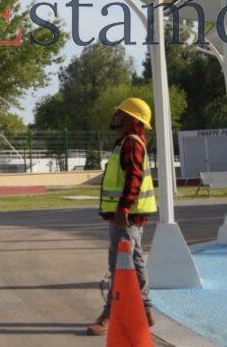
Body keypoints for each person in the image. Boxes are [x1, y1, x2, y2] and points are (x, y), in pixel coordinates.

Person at [87, 97, 157, 336]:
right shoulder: (126, 143)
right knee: (127, 261)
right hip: (126, 215)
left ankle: (109, 315)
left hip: (127, 216)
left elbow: (134, 178)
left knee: (123, 264)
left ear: (130, 119)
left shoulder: (131, 143)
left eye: (119, 113)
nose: (115, 116)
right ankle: (145, 311)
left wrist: (123, 208)